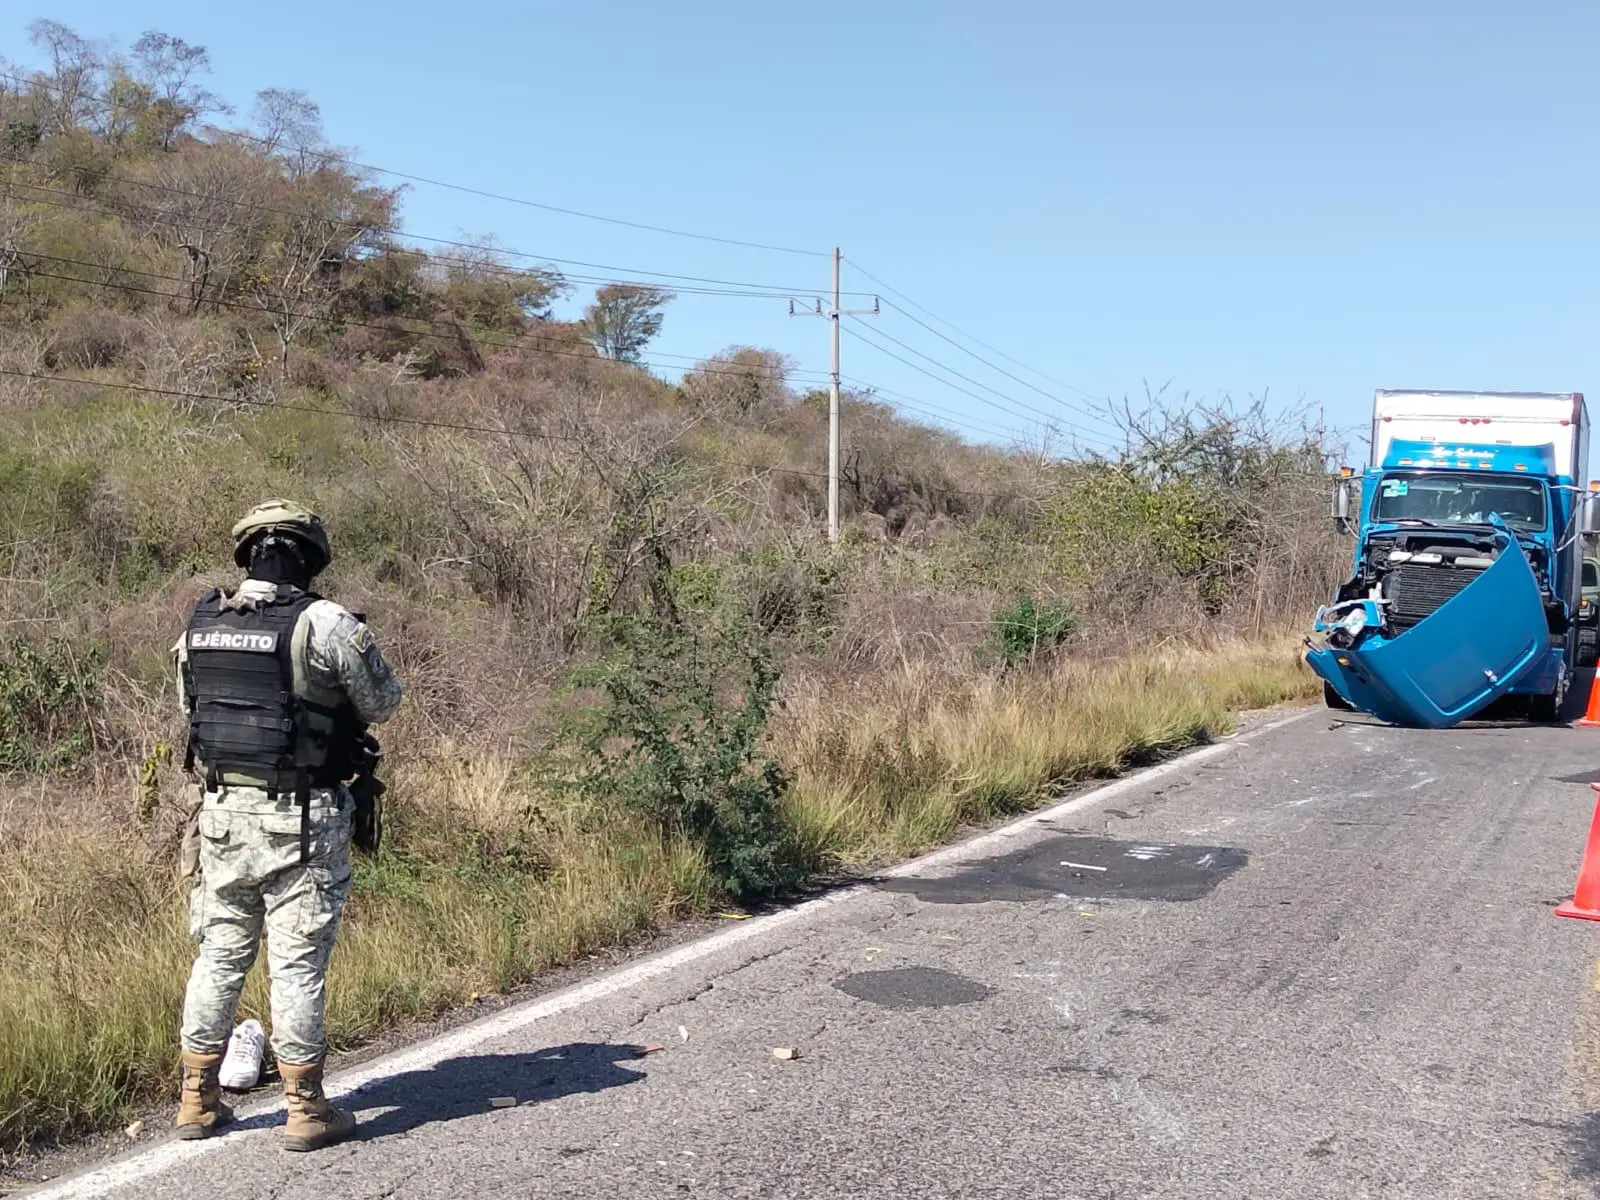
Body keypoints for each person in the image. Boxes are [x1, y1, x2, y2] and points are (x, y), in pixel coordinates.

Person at [171, 499, 403, 1150]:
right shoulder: (324, 622)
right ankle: (305, 1108)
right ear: (309, 559)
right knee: (297, 968)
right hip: (303, 819)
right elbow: (383, 703)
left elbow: (190, 708)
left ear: (248, 555)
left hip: (221, 814)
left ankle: (198, 1099)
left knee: (219, 954)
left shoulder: (199, 623)